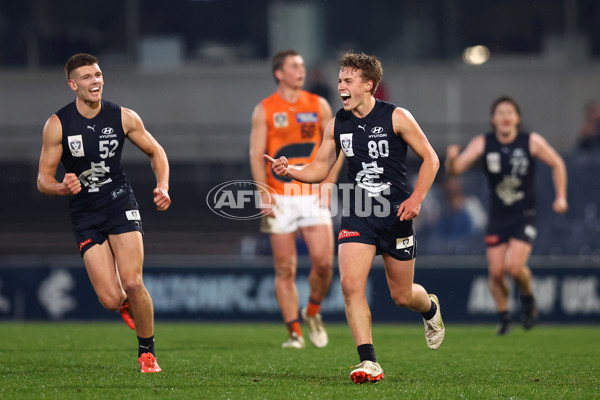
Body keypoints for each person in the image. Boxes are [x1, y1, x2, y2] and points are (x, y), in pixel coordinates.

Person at [266, 52, 445, 384]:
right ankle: (369, 362)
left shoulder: (397, 117)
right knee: (350, 285)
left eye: (348, 81)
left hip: (395, 216)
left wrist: (416, 198)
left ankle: (430, 309)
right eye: (339, 81)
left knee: (403, 295)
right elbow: (321, 167)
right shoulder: (337, 123)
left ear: (369, 85)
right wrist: (289, 169)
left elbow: (431, 159)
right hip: (359, 214)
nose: (341, 87)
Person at [37, 53, 170, 373]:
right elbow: (43, 180)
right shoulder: (58, 124)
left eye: (97, 75)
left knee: (134, 282)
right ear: (73, 85)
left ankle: (147, 354)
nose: (95, 81)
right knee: (111, 299)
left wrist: (163, 185)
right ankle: (125, 304)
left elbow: (156, 151)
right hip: (84, 214)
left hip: (119, 203)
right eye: (86, 77)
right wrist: (61, 187)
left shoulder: (123, 117)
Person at [445, 95, 568, 335]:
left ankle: (528, 298)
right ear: (493, 119)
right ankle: (504, 317)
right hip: (498, 215)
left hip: (525, 213)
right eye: (500, 112)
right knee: (496, 272)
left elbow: (558, 163)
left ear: (518, 118)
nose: (505, 116)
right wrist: (450, 158)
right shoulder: (483, 142)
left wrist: (561, 196)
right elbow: (456, 169)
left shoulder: (530, 141)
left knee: (514, 267)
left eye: (510, 112)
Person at [249, 49, 342, 349]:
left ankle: (312, 312)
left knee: (324, 264)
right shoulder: (264, 109)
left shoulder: (319, 105)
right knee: (285, 268)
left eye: (302, 65)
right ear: (280, 73)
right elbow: (255, 154)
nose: (301, 70)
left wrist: (328, 183)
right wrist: (262, 191)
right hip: (280, 196)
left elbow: (337, 148)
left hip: (312, 193)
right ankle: (294, 333)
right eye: (294, 66)